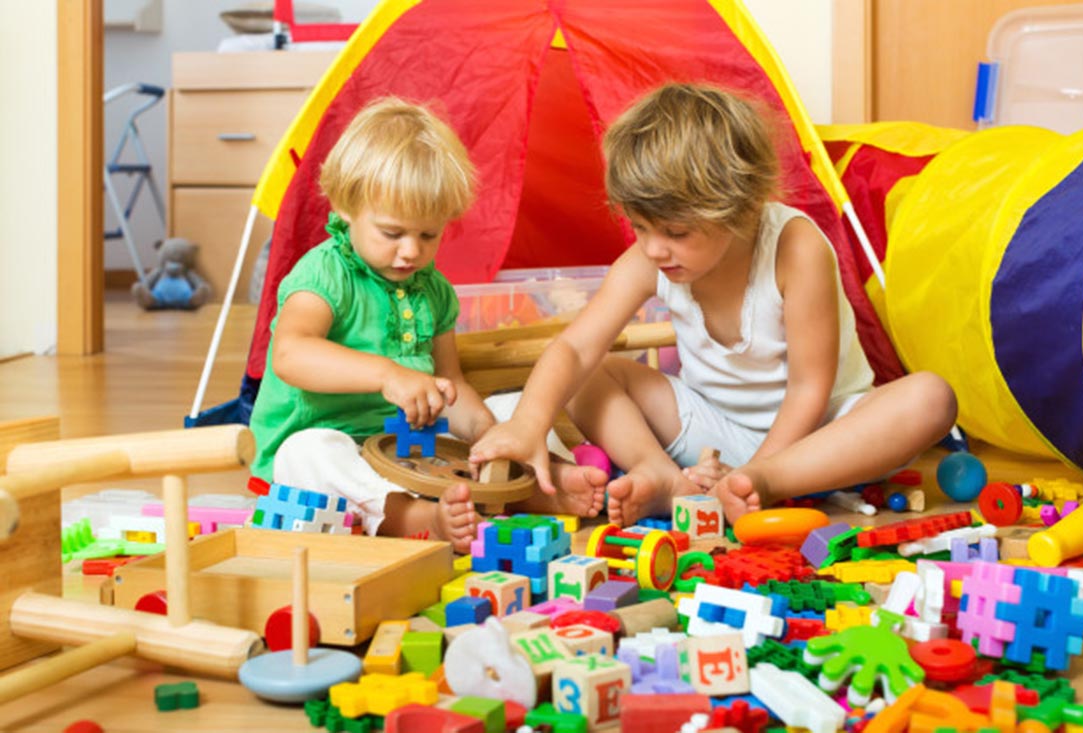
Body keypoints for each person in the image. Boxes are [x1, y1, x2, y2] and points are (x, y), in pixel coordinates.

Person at [469, 83, 957, 527]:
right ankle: (661, 475)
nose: (655, 249)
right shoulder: (650, 259)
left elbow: (811, 388)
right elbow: (574, 349)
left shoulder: (795, 248)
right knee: (590, 374)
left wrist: (758, 471)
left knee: (931, 398)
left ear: (741, 207)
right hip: (713, 433)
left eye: (676, 233)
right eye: (641, 227)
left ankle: (761, 485)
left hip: (824, 437)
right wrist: (528, 423)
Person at [248, 98, 605, 553]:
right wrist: (387, 374)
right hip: (335, 463)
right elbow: (292, 354)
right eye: (392, 234)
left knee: (515, 406)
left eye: (428, 235)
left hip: (411, 452)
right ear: (343, 207)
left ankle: (537, 482)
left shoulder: (433, 291)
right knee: (306, 453)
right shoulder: (323, 274)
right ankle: (412, 517)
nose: (411, 252)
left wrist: (487, 433)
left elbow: (450, 383)